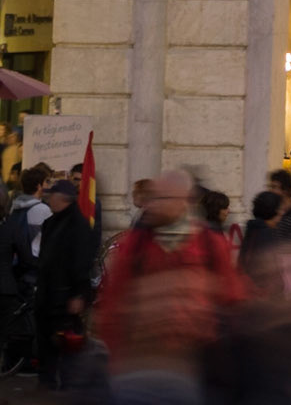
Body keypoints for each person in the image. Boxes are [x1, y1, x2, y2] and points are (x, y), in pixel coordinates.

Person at [94, 169, 242, 401]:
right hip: (138, 369)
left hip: (193, 369)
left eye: (162, 199)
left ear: (184, 201)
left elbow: (233, 298)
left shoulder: (209, 243)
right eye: (152, 198)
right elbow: (114, 303)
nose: (152, 205)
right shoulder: (136, 243)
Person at [34, 178, 97, 390]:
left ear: (62, 198)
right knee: (46, 339)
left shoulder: (78, 225)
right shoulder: (52, 222)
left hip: (64, 295)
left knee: (66, 341)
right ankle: (47, 380)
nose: (48, 200)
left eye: (52, 195)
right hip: (48, 293)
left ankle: (68, 383)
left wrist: (79, 294)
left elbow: (81, 261)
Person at [239, 190, 285, 295]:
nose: (282, 213)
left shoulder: (252, 229)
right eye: (280, 209)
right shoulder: (266, 235)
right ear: (273, 211)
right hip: (263, 295)